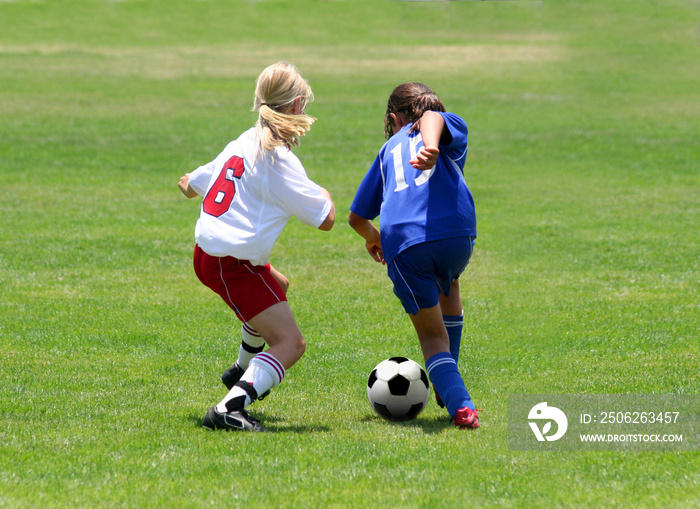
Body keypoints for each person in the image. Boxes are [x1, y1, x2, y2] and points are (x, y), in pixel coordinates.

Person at [178, 62, 335, 432]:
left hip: (210, 256)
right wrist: (325, 193)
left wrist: (188, 185)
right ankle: (229, 409)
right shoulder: (278, 162)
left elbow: (193, 182)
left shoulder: (243, 141)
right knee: (291, 343)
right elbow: (326, 218)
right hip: (230, 263)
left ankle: (241, 369)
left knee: (277, 285)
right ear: (297, 105)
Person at [348, 83, 480, 429]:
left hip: (406, 245)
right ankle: (446, 384)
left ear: (394, 120)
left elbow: (357, 218)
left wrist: (374, 239)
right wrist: (436, 146)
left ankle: (461, 405)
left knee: (432, 337)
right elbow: (436, 118)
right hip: (457, 236)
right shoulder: (455, 126)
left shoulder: (390, 147)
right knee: (449, 283)